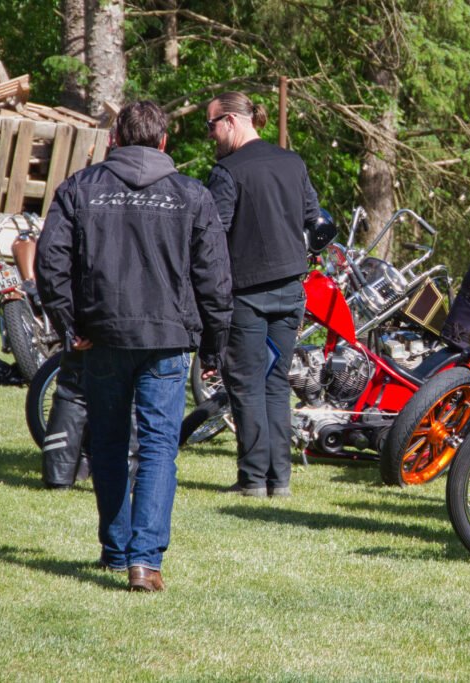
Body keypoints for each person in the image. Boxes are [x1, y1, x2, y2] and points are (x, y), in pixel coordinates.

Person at [36, 100, 232, 592]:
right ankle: (142, 560)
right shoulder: (192, 195)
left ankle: (119, 549)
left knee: (108, 442)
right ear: (164, 141)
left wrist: (69, 323)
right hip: (164, 339)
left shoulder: (81, 188)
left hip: (104, 335)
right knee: (158, 447)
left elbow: (49, 263)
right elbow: (215, 280)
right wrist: (214, 345)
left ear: (116, 139)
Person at [204, 91, 320, 498]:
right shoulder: (293, 162)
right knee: (275, 384)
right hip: (291, 291)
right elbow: (317, 223)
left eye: (212, 125)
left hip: (248, 295)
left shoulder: (228, 172)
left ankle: (253, 479)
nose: (210, 135)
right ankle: (280, 481)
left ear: (233, 121)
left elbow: (212, 238)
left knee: (247, 383)